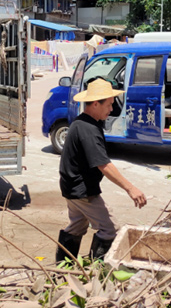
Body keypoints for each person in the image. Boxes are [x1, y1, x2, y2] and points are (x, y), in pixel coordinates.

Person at [56, 78, 147, 262]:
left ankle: (62, 270)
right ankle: (97, 272)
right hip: (82, 191)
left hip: (71, 186)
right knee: (109, 229)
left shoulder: (83, 123)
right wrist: (131, 188)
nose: (111, 109)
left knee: (76, 226)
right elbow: (104, 165)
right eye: (109, 105)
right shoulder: (88, 128)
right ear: (96, 104)